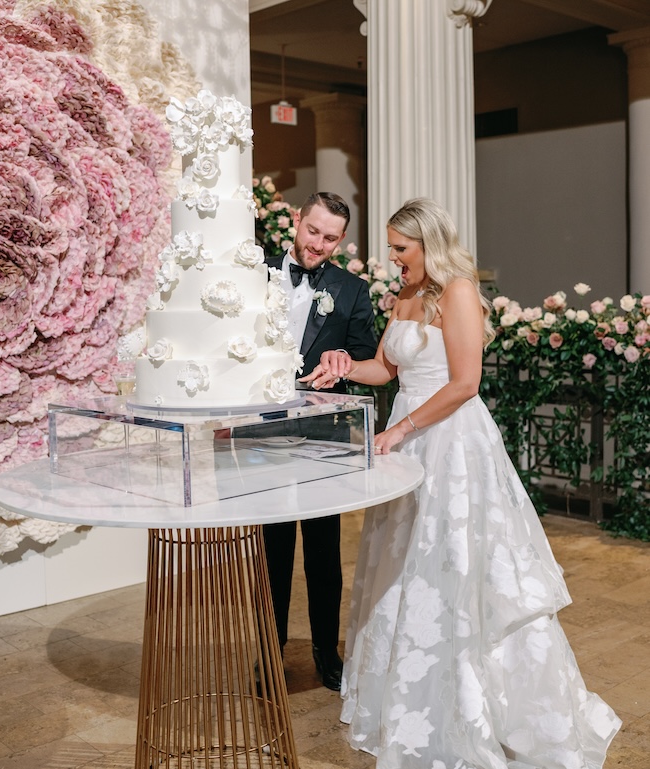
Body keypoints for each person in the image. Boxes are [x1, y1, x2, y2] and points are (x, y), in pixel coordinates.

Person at [301, 198, 621, 767]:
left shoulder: (459, 292)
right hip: (405, 442)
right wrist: (343, 365)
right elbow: (387, 370)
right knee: (403, 565)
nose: (394, 259)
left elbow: (465, 383)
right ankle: (409, 695)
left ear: (430, 244)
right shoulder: (403, 294)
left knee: (453, 563)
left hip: (450, 443)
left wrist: (401, 429)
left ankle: (473, 702)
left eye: (401, 249)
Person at [263, 191, 377, 691]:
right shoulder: (254, 274)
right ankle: (269, 655)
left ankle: (327, 654)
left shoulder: (351, 290)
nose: (318, 244)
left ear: (342, 240)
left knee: (324, 550)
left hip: (323, 434)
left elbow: (365, 355)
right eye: (313, 231)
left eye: (330, 238)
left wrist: (342, 364)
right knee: (272, 551)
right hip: (262, 430)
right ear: (297, 220)